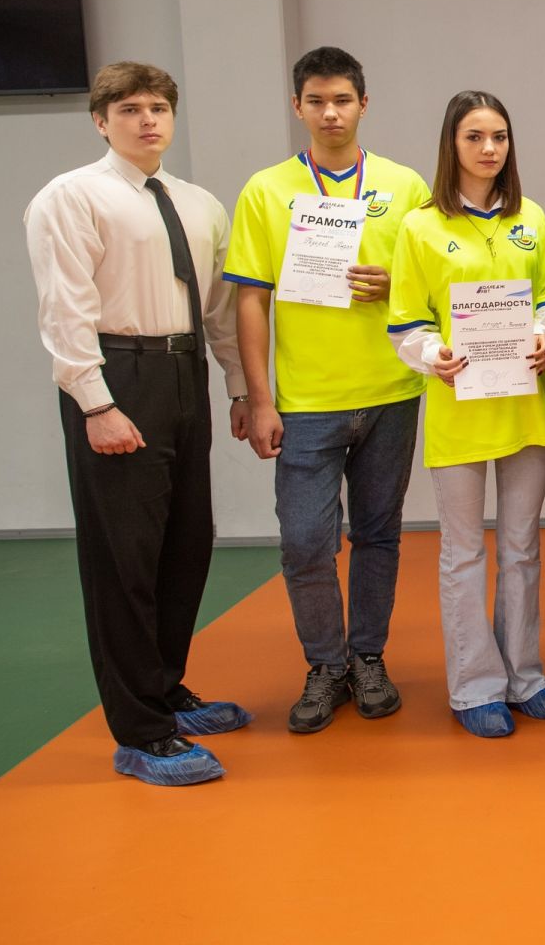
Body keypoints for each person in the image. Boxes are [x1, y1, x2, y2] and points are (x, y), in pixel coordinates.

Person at [24, 61, 252, 786]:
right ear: (101, 121)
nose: (147, 120)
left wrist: (240, 388)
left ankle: (165, 689)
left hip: (184, 372)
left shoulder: (198, 204)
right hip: (118, 373)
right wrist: (95, 403)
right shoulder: (72, 197)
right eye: (128, 109)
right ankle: (141, 733)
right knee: (123, 558)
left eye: (157, 107)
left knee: (185, 543)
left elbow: (219, 309)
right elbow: (65, 307)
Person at [225, 46, 430, 733]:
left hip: (391, 391)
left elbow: (434, 282)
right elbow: (250, 300)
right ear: (298, 107)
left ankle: (367, 658)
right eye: (316, 101)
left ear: (363, 104)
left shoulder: (404, 186)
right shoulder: (266, 190)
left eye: (342, 99)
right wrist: (260, 398)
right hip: (306, 402)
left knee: (378, 535)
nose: (331, 112)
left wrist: (396, 283)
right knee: (305, 543)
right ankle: (325, 664)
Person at [388, 90, 545, 738]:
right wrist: (433, 354)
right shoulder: (420, 227)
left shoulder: (531, 218)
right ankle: (474, 686)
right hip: (459, 406)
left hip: (524, 406)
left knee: (521, 548)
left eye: (499, 137)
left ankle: (524, 675)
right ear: (452, 144)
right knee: (463, 552)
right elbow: (405, 323)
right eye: (474, 137)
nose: (489, 148)